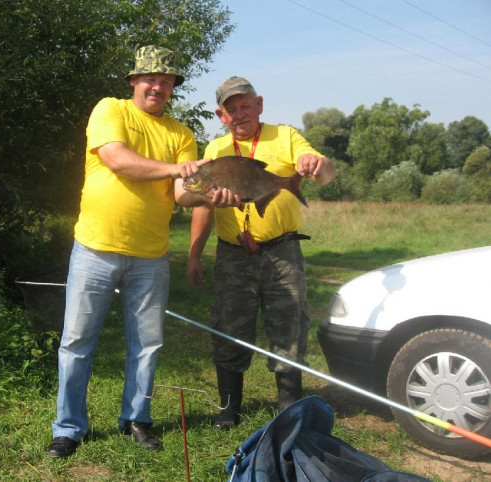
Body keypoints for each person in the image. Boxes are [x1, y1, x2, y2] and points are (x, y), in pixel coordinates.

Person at [47, 46, 237, 458]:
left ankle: (137, 419)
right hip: (95, 247)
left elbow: (183, 194)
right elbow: (117, 160)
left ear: (172, 88)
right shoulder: (109, 110)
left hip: (151, 255)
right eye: (151, 78)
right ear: (134, 81)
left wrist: (213, 197)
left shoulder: (181, 134)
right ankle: (68, 429)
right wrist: (175, 169)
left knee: (148, 346)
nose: (158, 86)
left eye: (166, 81)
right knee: (77, 342)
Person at [186, 76, 336, 430]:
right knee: (228, 325)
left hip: (283, 251)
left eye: (245, 106)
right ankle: (228, 409)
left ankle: (289, 407)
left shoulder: (285, 136)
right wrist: (194, 254)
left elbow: (326, 175)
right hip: (232, 254)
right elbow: (202, 207)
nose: (240, 114)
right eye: (231, 109)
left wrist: (316, 163)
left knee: (290, 326)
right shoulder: (215, 152)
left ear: (260, 105)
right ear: (221, 115)